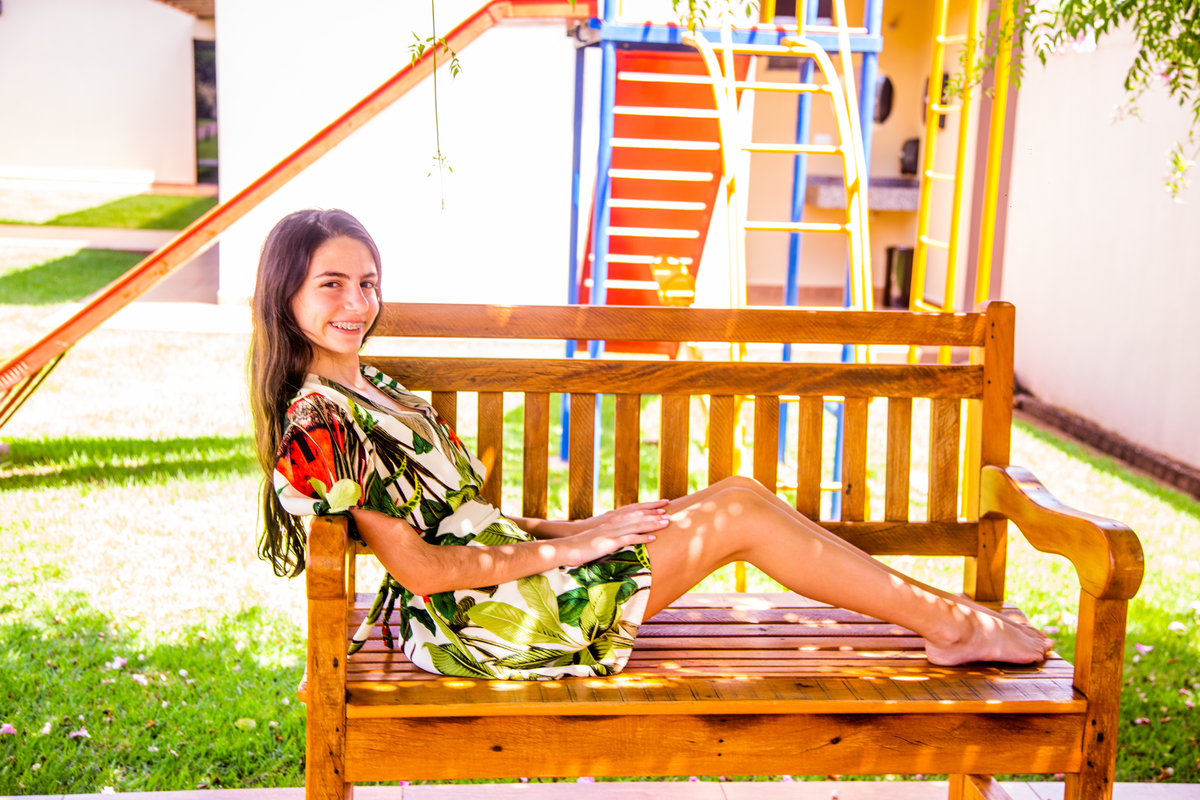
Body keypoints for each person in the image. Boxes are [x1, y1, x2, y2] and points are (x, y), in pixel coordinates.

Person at [250, 208, 1049, 681]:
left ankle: (947, 615)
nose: (357, 303)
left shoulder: (374, 386)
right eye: (332, 285)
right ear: (285, 295)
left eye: (367, 283)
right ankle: (951, 625)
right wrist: (571, 552)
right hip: (486, 623)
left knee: (738, 494)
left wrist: (586, 529)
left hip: (511, 586)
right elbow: (424, 568)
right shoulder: (319, 425)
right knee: (738, 519)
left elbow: (467, 520)